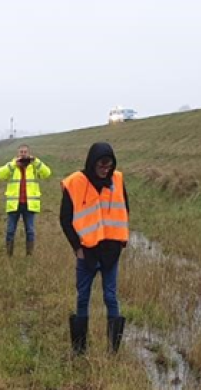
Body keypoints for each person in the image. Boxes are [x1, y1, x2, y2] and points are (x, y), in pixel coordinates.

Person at [60, 142, 129, 354]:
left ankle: (113, 351)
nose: (106, 170)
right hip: (87, 252)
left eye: (109, 166)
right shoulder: (75, 182)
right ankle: (79, 350)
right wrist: (77, 248)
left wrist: (120, 241)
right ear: (92, 163)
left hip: (111, 252)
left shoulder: (117, 179)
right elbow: (64, 219)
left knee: (111, 298)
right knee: (83, 298)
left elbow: (124, 209)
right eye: (101, 166)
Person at [0, 144, 52, 256]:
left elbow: (47, 173)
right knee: (10, 230)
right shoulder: (12, 165)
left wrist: (36, 161)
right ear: (17, 153)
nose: (23, 154)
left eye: (25, 152)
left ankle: (29, 255)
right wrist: (13, 164)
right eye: (21, 152)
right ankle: (9, 254)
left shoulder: (33, 166)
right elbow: (0, 174)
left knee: (30, 231)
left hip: (29, 204)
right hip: (14, 204)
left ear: (29, 153)